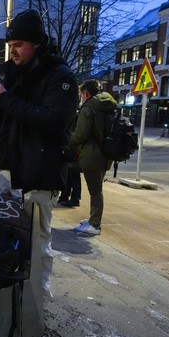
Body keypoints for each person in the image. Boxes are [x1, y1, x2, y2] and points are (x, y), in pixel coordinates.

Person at [0, 9, 79, 298]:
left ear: (36, 43)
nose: (12, 51)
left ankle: (36, 297)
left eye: (19, 45)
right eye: (10, 46)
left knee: (37, 241)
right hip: (3, 171)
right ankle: (2, 291)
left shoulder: (59, 76)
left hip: (36, 175)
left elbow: (52, 122)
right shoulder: (11, 75)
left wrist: (5, 98)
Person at [70, 80, 116, 235]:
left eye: (81, 94)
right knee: (97, 189)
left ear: (86, 93)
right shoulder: (107, 105)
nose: (81, 98)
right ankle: (93, 219)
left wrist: (69, 139)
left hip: (92, 155)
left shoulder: (89, 108)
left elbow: (81, 134)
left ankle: (95, 225)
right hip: (106, 153)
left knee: (95, 191)